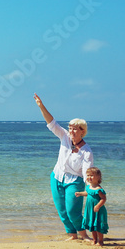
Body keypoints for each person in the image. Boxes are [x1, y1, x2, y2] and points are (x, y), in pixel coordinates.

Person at [34, 93, 93, 240]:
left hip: (74, 182)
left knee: (73, 210)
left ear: (82, 131)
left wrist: (90, 189)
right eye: (70, 128)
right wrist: (41, 106)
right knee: (62, 210)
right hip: (57, 177)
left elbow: (87, 173)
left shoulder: (86, 151)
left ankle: (84, 234)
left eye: (75, 129)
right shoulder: (64, 137)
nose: (71, 131)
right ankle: (72, 235)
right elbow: (51, 123)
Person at [76, 167, 108, 246]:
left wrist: (98, 206)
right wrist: (80, 193)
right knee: (92, 225)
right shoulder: (89, 187)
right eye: (88, 175)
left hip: (98, 210)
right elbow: (88, 193)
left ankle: (100, 241)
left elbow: (103, 199)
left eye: (92, 175)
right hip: (90, 209)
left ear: (98, 177)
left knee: (98, 226)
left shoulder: (99, 189)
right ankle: (94, 240)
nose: (89, 177)